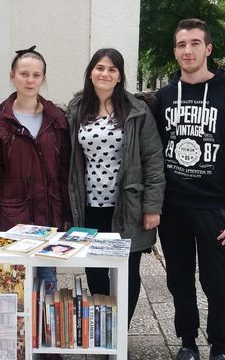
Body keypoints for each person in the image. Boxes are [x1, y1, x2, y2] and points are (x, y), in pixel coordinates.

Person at [153, 19, 225, 360]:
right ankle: (187, 346)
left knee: (220, 282)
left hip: (215, 209)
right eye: (182, 44)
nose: (188, 50)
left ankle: (220, 351)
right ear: (175, 51)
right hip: (174, 208)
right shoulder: (164, 97)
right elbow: (153, 152)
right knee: (179, 281)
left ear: (208, 48)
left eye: (195, 43)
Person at [0, 46, 71, 360]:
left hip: (48, 218)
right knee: (13, 284)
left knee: (47, 283)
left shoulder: (57, 120)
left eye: (36, 75)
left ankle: (48, 345)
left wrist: (66, 216)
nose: (30, 80)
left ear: (43, 79)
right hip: (11, 219)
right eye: (24, 73)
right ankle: (13, 345)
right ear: (12, 76)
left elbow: (64, 172)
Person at [66, 48, 165, 328]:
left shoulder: (136, 111)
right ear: (90, 73)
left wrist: (152, 206)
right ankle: (103, 331)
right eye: (99, 68)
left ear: (120, 76)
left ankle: (120, 334)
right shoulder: (77, 110)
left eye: (112, 69)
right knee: (95, 272)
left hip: (127, 206)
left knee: (127, 272)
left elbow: (153, 159)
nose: (105, 74)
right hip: (89, 207)